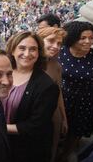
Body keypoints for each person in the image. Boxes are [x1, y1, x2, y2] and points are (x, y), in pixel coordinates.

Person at [4, 31, 59, 162]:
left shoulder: (47, 86)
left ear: (39, 53)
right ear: (12, 50)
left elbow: (36, 126)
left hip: (24, 150)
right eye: (22, 48)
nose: (27, 54)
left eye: (33, 49)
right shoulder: (3, 72)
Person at [58, 21, 93, 162]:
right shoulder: (61, 51)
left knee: (74, 135)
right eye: (83, 38)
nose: (88, 41)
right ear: (72, 38)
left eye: (91, 38)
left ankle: (65, 155)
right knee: (59, 130)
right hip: (61, 99)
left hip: (84, 103)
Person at [37, 27, 68, 162]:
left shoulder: (56, 66)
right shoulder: (27, 63)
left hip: (53, 116)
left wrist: (63, 118)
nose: (56, 46)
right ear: (39, 41)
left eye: (59, 43)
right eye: (51, 41)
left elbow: (58, 92)